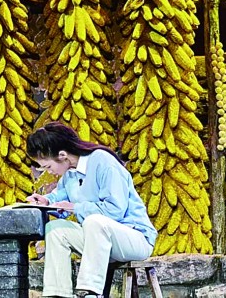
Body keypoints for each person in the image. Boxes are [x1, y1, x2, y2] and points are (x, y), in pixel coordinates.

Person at [26, 121, 158, 298]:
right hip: (97, 242)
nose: (49, 172)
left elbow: (115, 210)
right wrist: (45, 201)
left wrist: (76, 207)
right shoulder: (70, 173)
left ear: (63, 155)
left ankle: (90, 292)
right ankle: (58, 294)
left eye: (48, 167)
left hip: (133, 237)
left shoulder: (103, 162)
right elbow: (59, 197)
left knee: (94, 221)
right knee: (55, 229)